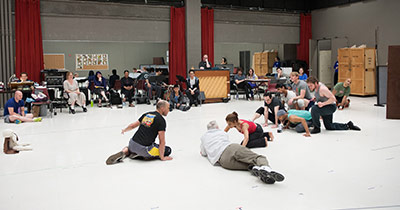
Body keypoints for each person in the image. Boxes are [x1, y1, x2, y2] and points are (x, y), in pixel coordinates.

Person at [200, 121, 284, 184]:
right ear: (217, 127)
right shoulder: (222, 133)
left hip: (223, 161)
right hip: (230, 148)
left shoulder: (203, 137)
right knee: (258, 158)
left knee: (249, 165)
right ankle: (266, 168)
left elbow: (203, 153)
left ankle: (258, 170)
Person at [106, 100, 173, 164]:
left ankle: (125, 151)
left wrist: (124, 130)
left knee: (152, 144)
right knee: (167, 150)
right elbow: (162, 141)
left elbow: (133, 125)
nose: (169, 110)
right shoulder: (161, 120)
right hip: (143, 148)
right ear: (162, 108)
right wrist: (162, 157)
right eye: (168, 108)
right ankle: (140, 155)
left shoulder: (147, 114)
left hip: (132, 143)